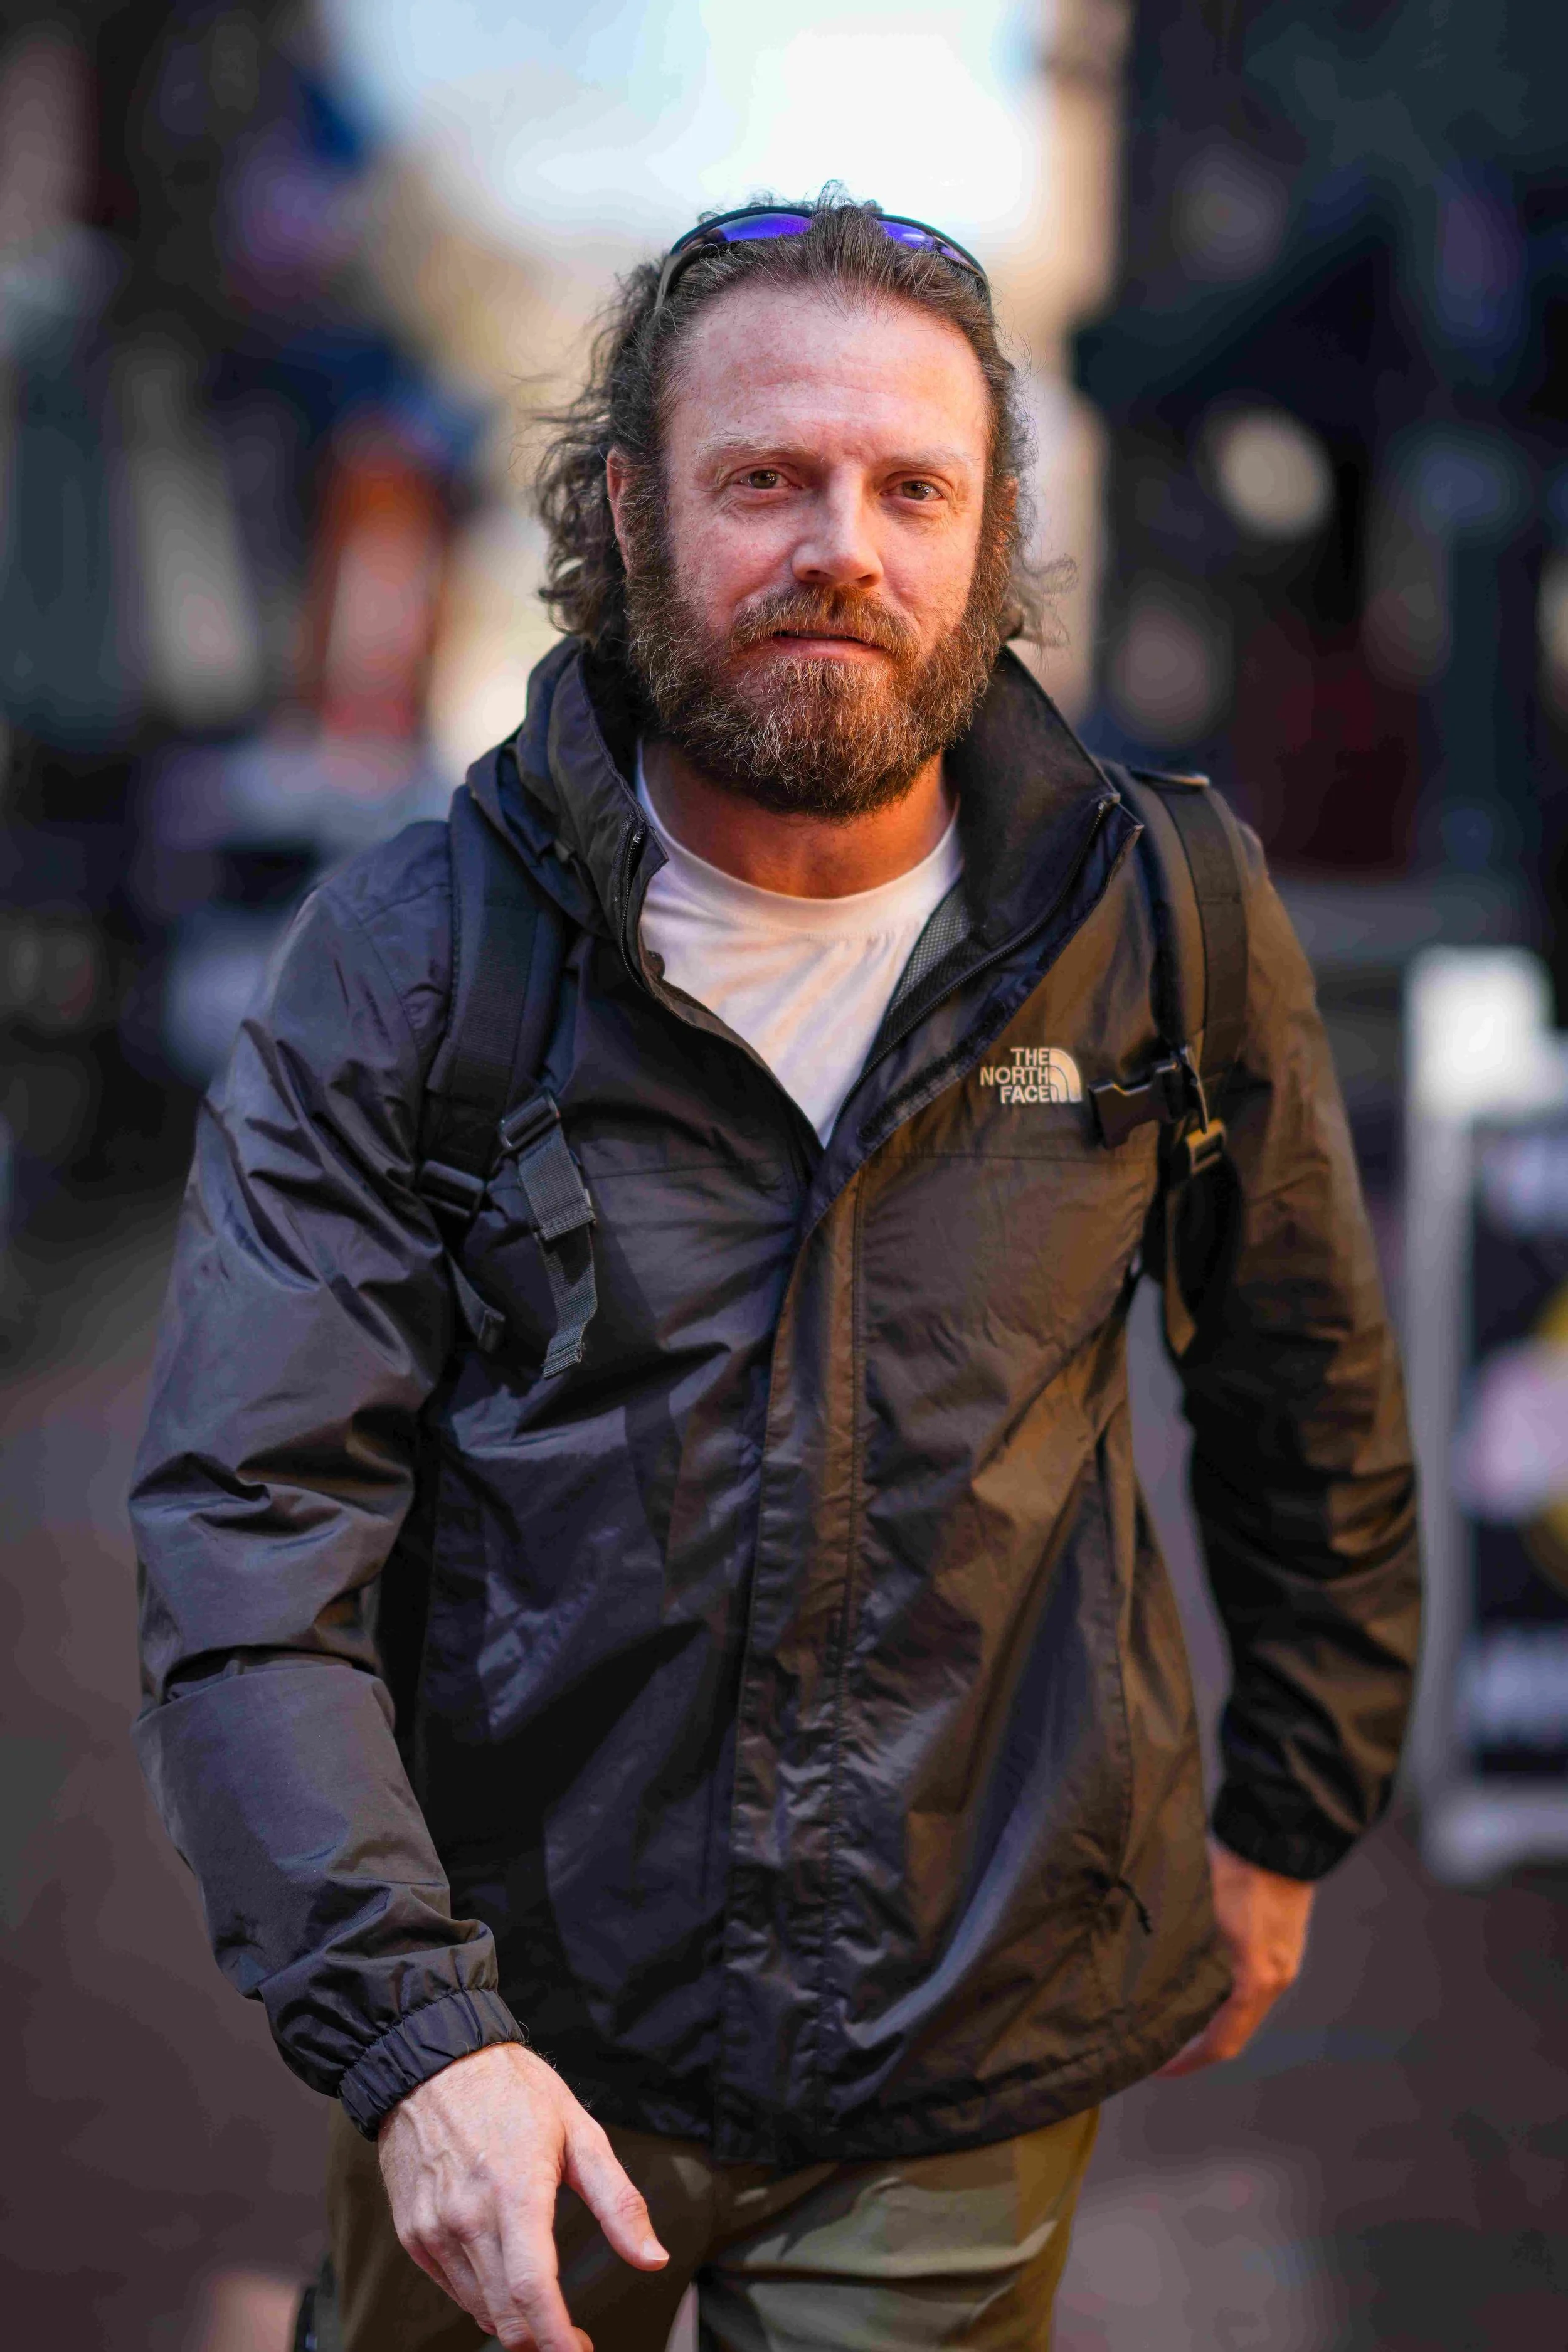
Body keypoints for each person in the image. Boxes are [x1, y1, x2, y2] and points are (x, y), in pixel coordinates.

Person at [132, 196, 1421, 2352]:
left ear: (990, 531)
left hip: (959, 2052)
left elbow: (1309, 1390)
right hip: (513, 2046)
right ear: (631, 509)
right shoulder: (412, 958)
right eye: (766, 479)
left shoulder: (1160, 918)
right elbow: (250, 1531)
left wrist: (1292, 1800)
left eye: (913, 487)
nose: (844, 547)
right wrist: (411, 2035)